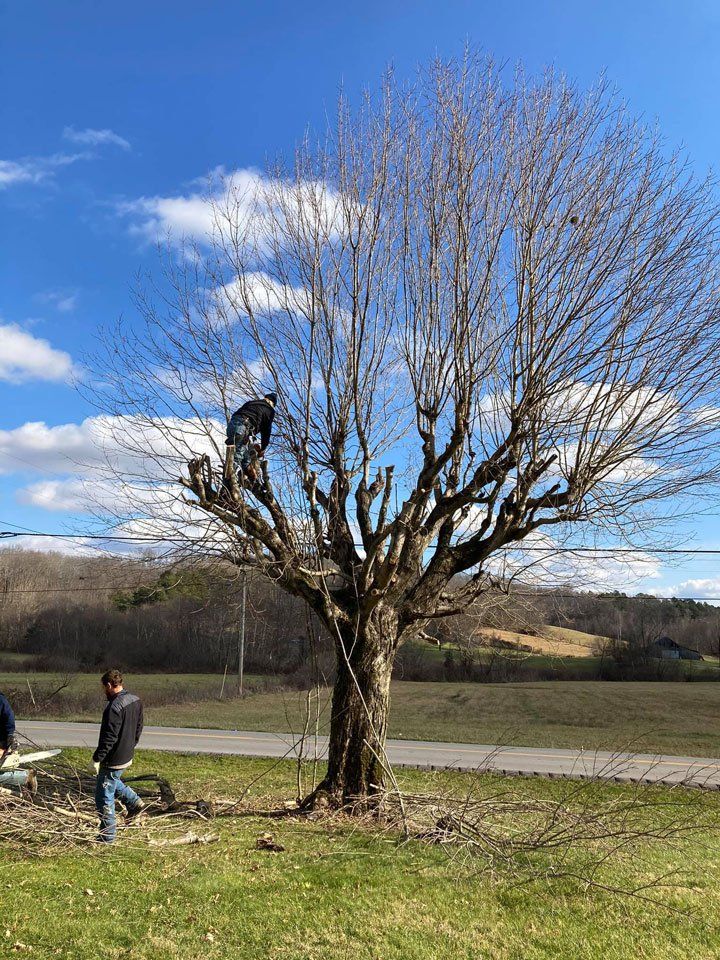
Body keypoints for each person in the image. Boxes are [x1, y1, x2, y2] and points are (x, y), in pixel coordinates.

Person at [92, 669, 145, 843]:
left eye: (103, 688)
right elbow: (139, 727)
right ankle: (134, 803)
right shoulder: (135, 700)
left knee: (103, 796)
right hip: (127, 753)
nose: (103, 691)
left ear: (109, 685)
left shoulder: (114, 707)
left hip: (113, 758)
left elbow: (109, 738)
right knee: (112, 781)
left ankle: (107, 836)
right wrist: (131, 745)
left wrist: (97, 758)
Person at [225, 391, 277, 483]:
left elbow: (239, 414)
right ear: (273, 403)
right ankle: (227, 484)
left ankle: (252, 479)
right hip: (242, 428)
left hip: (232, 426)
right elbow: (266, 431)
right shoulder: (269, 410)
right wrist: (263, 448)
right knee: (237, 456)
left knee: (245, 458)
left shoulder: (252, 403)